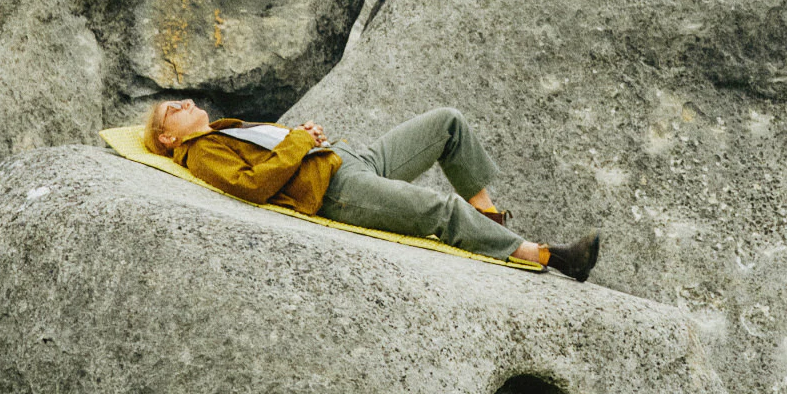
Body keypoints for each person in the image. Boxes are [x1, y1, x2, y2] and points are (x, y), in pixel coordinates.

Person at [143, 99, 602, 280]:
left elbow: (277, 152)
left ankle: (486, 217)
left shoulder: (222, 130)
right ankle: (547, 256)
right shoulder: (200, 153)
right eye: (172, 111)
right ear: (168, 138)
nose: (184, 103)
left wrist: (306, 133)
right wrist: (302, 142)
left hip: (348, 159)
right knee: (438, 210)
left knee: (447, 124)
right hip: (335, 190)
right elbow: (252, 185)